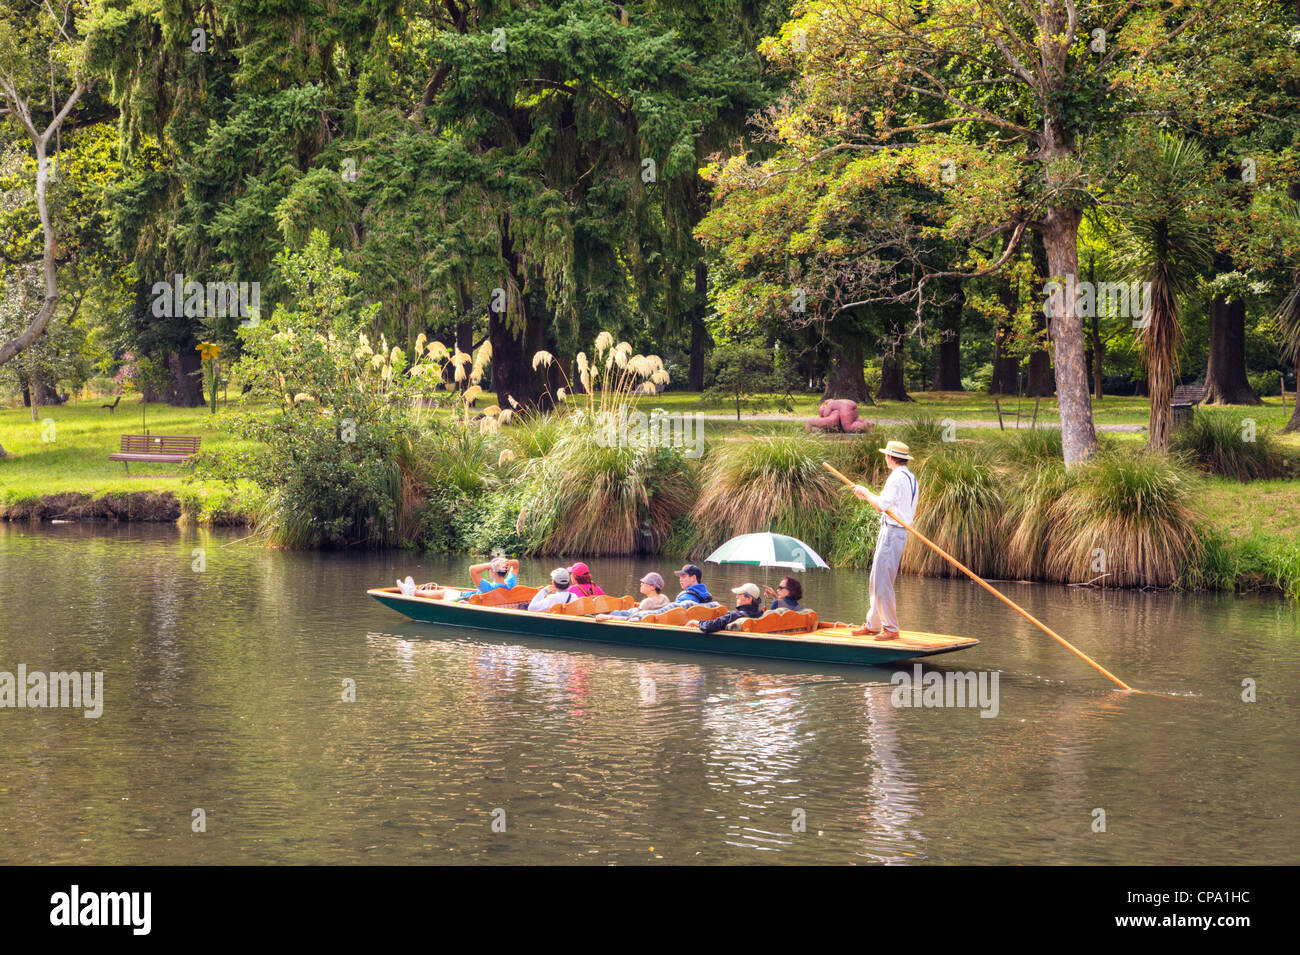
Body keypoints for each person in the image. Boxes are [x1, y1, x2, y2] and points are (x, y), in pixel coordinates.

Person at [850, 440, 918, 639]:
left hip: (893, 532)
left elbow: (881, 506)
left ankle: (890, 628)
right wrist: (867, 496)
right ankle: (874, 623)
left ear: (890, 458)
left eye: (886, 456)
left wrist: (866, 492)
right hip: (892, 530)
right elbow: (888, 504)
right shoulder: (910, 477)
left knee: (882, 581)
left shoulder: (896, 477)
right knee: (875, 578)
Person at [687, 583, 764, 634]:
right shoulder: (761, 614)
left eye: (740, 594)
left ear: (749, 599)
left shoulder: (735, 615)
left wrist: (697, 623)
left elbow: (710, 626)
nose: (736, 596)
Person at [593, 572, 672, 621]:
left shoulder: (648, 602)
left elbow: (631, 618)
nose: (641, 584)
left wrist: (608, 617)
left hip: (629, 615)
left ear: (653, 587)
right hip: (636, 612)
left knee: (614, 612)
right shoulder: (664, 598)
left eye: (644, 583)